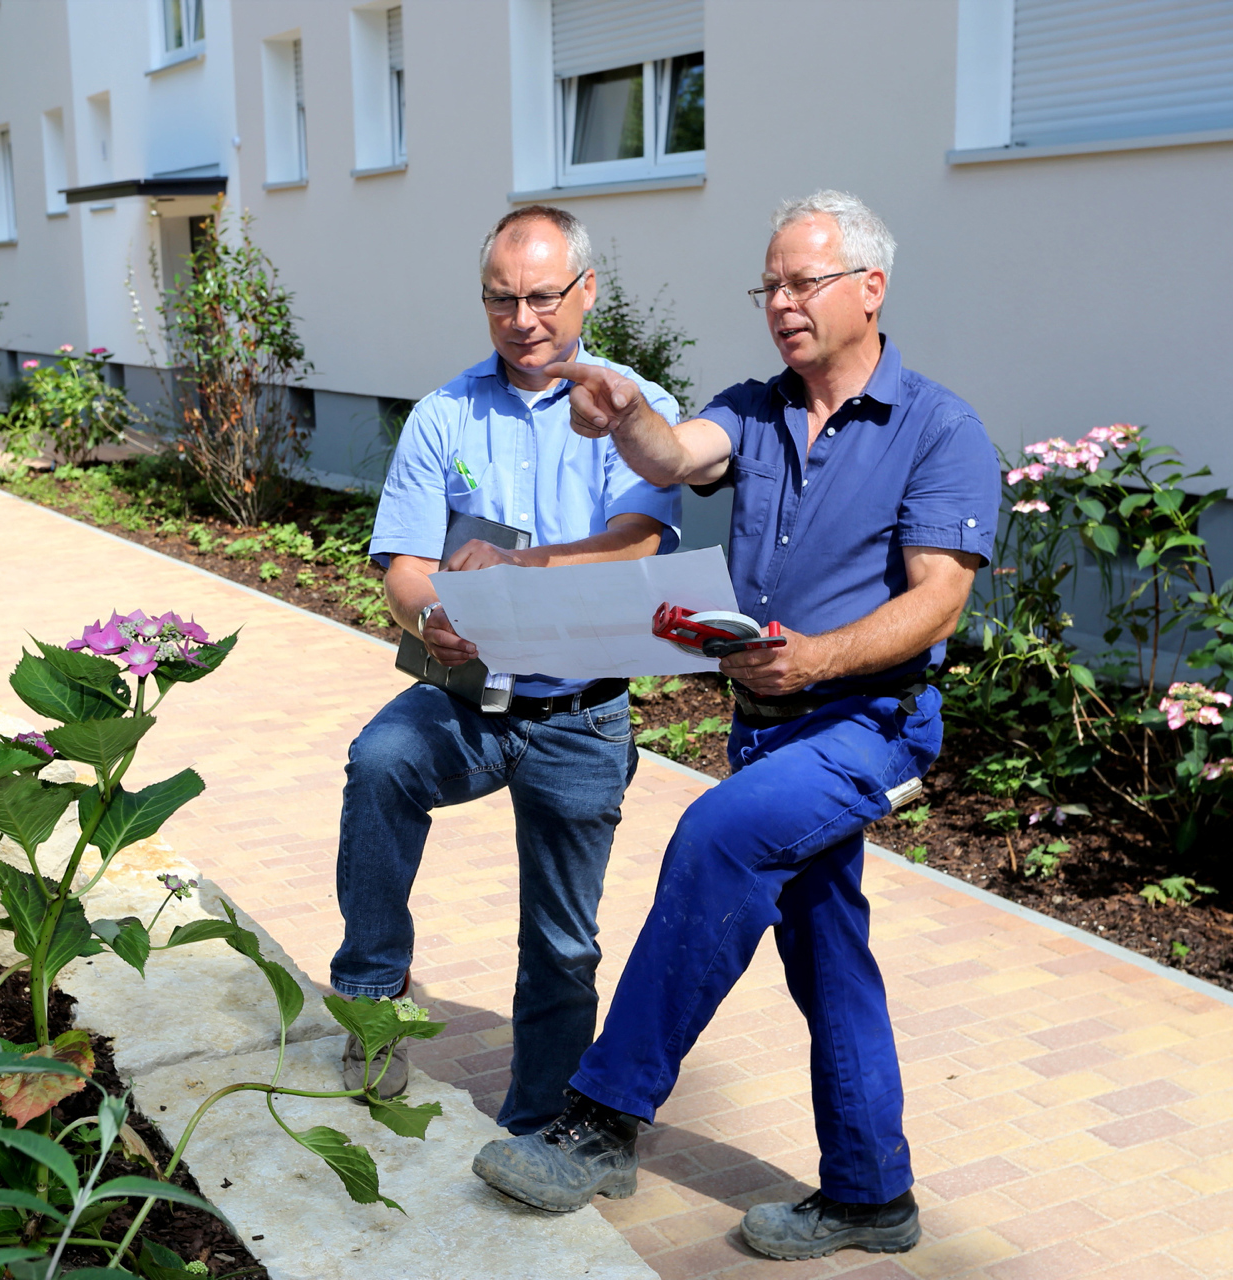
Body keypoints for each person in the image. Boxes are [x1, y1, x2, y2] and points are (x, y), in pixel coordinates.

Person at [472, 190, 1000, 1261]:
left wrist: (818, 656)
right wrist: (626, 411)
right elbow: (675, 457)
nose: (782, 303)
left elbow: (939, 602)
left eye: (804, 282)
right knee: (827, 950)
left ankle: (603, 1119)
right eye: (769, 286)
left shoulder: (940, 429)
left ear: (870, 288)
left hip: (869, 723)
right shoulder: (755, 410)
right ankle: (871, 1195)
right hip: (764, 725)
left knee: (716, 835)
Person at [330, 205, 683, 1135]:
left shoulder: (635, 410)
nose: (522, 319)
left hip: (583, 713)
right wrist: (430, 615)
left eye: (542, 297)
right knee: (381, 761)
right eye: (500, 299)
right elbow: (404, 567)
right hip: (470, 696)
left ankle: (537, 1124)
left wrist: (519, 569)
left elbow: (636, 543)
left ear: (587, 292)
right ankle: (373, 997)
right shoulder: (444, 414)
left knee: (563, 944)